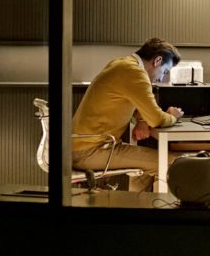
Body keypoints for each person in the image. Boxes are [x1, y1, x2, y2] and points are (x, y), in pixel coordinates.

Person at [71, 38, 185, 192]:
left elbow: (138, 105)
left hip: (82, 147)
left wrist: (142, 120)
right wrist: (173, 115)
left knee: (145, 167)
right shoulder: (135, 73)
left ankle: (139, 209)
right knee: (173, 162)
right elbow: (157, 118)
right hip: (91, 151)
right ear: (157, 60)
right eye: (164, 71)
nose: (161, 77)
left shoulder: (122, 64)